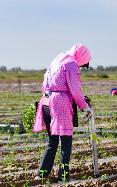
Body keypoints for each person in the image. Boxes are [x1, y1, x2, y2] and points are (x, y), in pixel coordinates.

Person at [33, 44, 92, 182]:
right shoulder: (71, 64)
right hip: (60, 105)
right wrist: (84, 106)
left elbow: (46, 83)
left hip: (46, 102)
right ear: (81, 57)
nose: (81, 67)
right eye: (83, 64)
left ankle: (40, 175)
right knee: (66, 143)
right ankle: (64, 177)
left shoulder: (58, 59)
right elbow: (75, 89)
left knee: (52, 142)